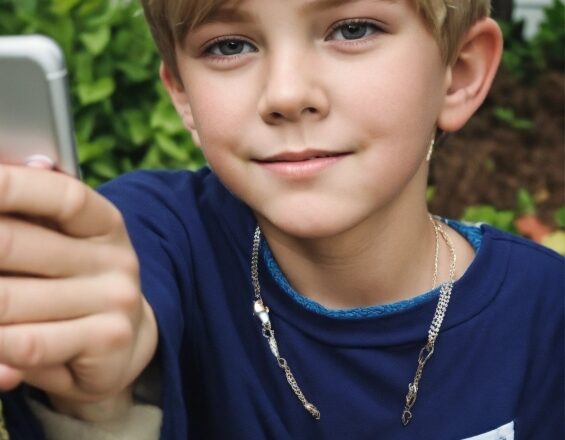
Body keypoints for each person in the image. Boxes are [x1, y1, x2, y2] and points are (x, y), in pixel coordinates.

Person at [0, 0, 563, 438]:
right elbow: (119, 293)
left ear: (458, 73)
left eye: (353, 29)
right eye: (229, 45)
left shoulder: (546, 311)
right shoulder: (155, 233)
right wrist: (103, 402)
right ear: (185, 97)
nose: (288, 95)